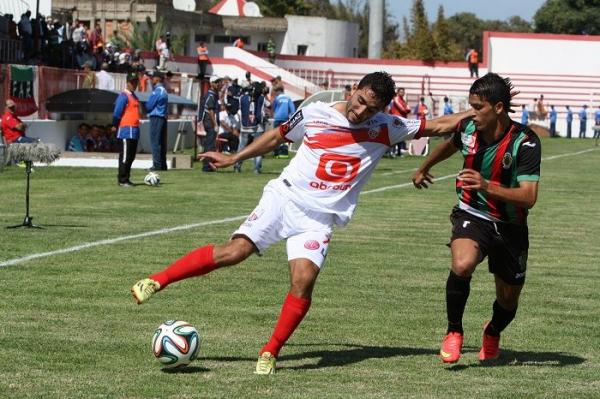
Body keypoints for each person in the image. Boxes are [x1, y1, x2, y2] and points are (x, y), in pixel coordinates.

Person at [131, 71, 474, 375]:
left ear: (382, 109)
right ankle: (156, 281)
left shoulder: (386, 128)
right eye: (360, 102)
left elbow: (442, 125)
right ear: (354, 89)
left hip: (319, 219)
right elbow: (277, 136)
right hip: (285, 198)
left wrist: (481, 108)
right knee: (234, 252)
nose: (361, 112)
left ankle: (270, 352)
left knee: (304, 280)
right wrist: (235, 157)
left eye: (372, 109)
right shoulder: (314, 114)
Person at [412, 73, 541, 364]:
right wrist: (425, 166)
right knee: (462, 263)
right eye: (470, 106)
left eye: (478, 107)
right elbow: (450, 144)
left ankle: (493, 331)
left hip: (511, 226)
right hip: (472, 213)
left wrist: (486, 185)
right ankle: (454, 331)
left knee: (508, 300)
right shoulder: (469, 128)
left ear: (497, 108)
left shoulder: (526, 142)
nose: (472, 113)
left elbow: (529, 196)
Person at [112, 73, 141, 187]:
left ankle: (127, 178)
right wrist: (114, 125)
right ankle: (122, 179)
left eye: (136, 82)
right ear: (127, 82)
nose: (134, 84)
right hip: (125, 130)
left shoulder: (134, 96)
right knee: (125, 156)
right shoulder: (124, 96)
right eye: (132, 82)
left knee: (131, 156)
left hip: (134, 130)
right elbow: (117, 112)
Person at [235, 81, 266, 173]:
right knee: (258, 147)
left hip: (245, 125)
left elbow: (240, 110)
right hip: (257, 126)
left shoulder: (242, 98)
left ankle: (237, 166)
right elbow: (263, 110)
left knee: (241, 147)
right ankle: (257, 168)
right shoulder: (261, 98)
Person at [146, 70, 169, 171]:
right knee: (162, 142)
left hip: (156, 117)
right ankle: (162, 164)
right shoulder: (164, 90)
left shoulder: (157, 91)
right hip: (162, 117)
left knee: (155, 142)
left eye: (153, 77)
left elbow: (149, 105)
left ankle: (157, 164)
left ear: (157, 79)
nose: (151, 79)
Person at [199, 76, 222, 172]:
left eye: (219, 82)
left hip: (210, 121)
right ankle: (206, 166)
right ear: (211, 83)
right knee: (209, 145)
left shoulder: (214, 95)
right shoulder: (211, 95)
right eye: (216, 82)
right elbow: (211, 110)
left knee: (211, 144)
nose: (218, 84)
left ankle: (209, 165)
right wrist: (215, 124)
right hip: (209, 122)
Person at [272, 86, 295, 158]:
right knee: (284, 136)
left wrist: (275, 115)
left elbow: (273, 107)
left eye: (276, 91)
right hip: (285, 119)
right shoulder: (288, 98)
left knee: (275, 136)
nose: (276, 93)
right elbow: (292, 109)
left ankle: (276, 153)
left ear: (279, 91)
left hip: (277, 118)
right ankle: (284, 153)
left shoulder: (277, 98)